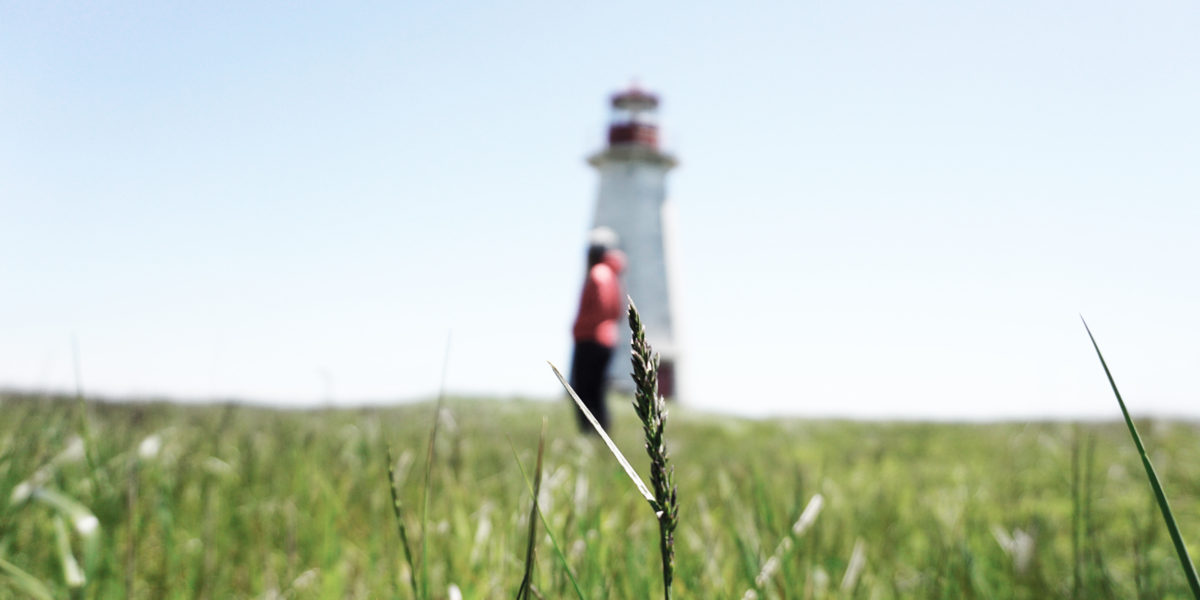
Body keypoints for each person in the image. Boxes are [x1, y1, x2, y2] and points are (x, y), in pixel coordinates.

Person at [570, 228, 626, 433]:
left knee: (583, 391)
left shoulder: (597, 274)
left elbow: (601, 308)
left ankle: (590, 433)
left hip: (590, 339)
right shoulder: (612, 275)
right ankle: (602, 434)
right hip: (607, 340)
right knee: (597, 391)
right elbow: (617, 311)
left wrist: (582, 325)